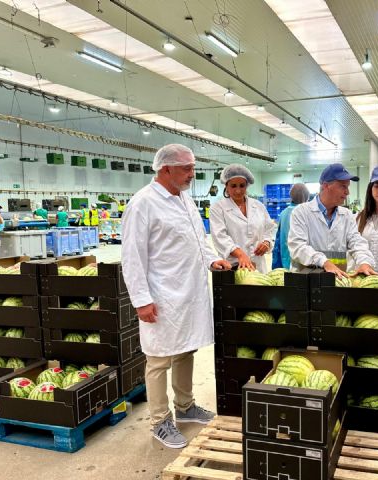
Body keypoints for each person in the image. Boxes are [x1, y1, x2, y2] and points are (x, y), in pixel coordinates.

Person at [122, 143, 231, 449]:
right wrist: (141, 300)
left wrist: (212, 259)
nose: (192, 174)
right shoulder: (143, 203)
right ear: (165, 169)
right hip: (161, 295)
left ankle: (186, 406)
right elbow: (132, 256)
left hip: (189, 293)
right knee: (158, 360)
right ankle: (160, 421)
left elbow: (199, 238)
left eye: (192, 168)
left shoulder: (185, 199)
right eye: (187, 168)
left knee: (186, 350)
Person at [288, 163, 376, 277]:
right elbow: (297, 246)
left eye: (347, 187)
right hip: (305, 283)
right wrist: (324, 262)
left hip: (336, 283)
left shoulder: (347, 215)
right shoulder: (301, 212)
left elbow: (357, 242)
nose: (347, 192)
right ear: (326, 186)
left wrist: (364, 262)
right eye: (343, 186)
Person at [210, 164, 276, 273]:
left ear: (247, 186)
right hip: (232, 267)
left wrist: (267, 243)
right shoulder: (218, 208)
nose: (238, 190)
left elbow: (269, 229)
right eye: (233, 186)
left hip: (258, 266)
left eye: (242, 186)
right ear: (226, 186)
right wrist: (240, 254)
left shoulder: (258, 206)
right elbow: (220, 237)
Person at [272, 183, 310, 269]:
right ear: (306, 196)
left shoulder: (283, 213)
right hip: (301, 260)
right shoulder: (306, 213)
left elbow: (278, 239)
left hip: (285, 258)